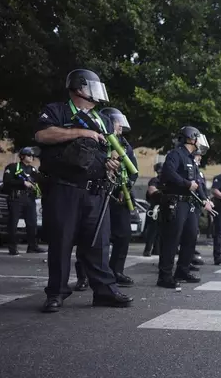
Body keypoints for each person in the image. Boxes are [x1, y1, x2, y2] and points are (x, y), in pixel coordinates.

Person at [35, 68, 133, 312]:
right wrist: (81, 131)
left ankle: (104, 291)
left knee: (98, 244)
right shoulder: (57, 110)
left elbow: (112, 148)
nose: (97, 91)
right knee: (62, 242)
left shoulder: (104, 118)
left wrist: (112, 162)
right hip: (65, 189)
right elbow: (43, 135)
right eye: (92, 86)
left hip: (96, 190)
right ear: (79, 87)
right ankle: (56, 293)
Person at [157, 126, 212, 288]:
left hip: (189, 204)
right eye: (197, 137)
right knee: (172, 240)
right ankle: (165, 276)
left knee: (190, 236)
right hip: (176, 202)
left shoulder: (191, 159)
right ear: (190, 138)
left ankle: (182, 270)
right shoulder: (176, 154)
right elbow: (168, 172)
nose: (198, 141)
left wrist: (205, 199)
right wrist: (186, 183)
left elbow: (198, 183)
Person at [102, 107, 137, 287]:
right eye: (117, 122)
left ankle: (117, 271)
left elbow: (133, 172)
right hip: (100, 194)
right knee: (96, 237)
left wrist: (126, 189)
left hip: (119, 196)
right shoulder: (100, 140)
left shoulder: (125, 145)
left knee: (123, 235)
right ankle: (84, 274)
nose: (120, 127)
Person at [2, 147, 45, 255]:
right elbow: (6, 182)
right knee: (13, 223)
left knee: (32, 223)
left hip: (29, 198)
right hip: (16, 198)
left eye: (32, 156)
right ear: (22, 156)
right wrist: (22, 183)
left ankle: (32, 246)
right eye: (29, 155)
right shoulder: (13, 167)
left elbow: (40, 180)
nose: (31, 157)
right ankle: (12, 248)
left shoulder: (32, 170)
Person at [143, 162, 163, 256]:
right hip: (155, 208)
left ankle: (157, 250)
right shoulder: (155, 180)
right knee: (152, 231)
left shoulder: (165, 180)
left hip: (162, 208)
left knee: (160, 232)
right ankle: (148, 250)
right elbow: (152, 191)